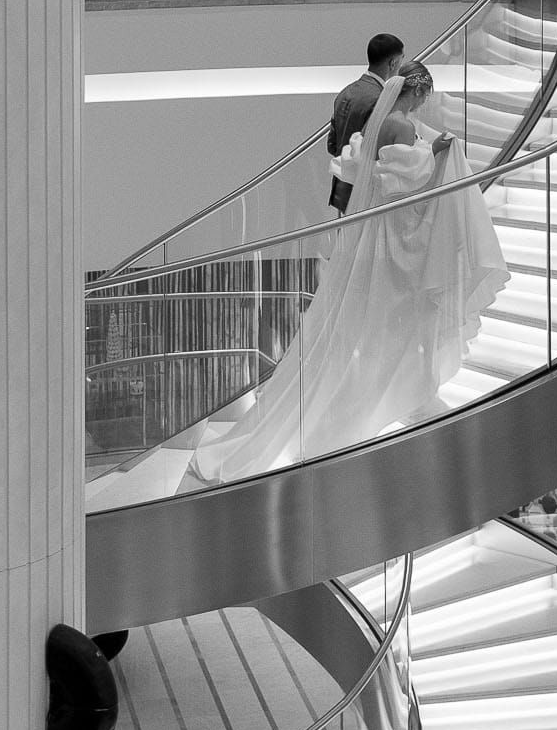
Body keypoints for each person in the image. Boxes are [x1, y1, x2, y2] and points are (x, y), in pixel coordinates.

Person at [190, 62, 510, 484]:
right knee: (394, 315)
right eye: (424, 97)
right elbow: (406, 182)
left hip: (373, 230)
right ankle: (396, 392)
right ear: (416, 93)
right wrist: (436, 154)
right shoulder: (401, 125)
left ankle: (396, 389)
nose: (424, 105)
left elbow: (367, 169)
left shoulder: (382, 121)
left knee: (369, 319)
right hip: (391, 234)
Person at [327, 32, 404, 212]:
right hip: (365, 190)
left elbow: (332, 145)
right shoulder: (381, 100)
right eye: (401, 60)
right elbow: (377, 150)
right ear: (393, 63)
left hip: (341, 187)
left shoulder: (345, 93)